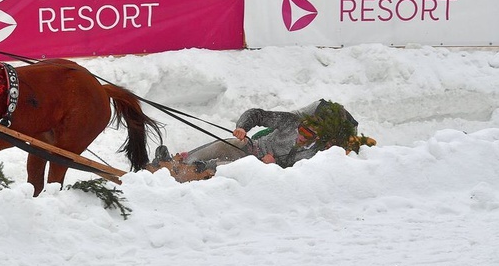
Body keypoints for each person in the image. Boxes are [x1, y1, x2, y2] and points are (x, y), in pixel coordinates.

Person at [147, 100, 375, 182]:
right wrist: (241, 127)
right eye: (303, 127)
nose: (301, 133)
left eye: (309, 133)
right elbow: (256, 114)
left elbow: (299, 177)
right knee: (230, 143)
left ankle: (191, 173)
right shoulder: (290, 122)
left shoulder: (317, 156)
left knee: (231, 168)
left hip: (260, 169)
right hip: (251, 148)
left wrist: (273, 165)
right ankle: (177, 163)